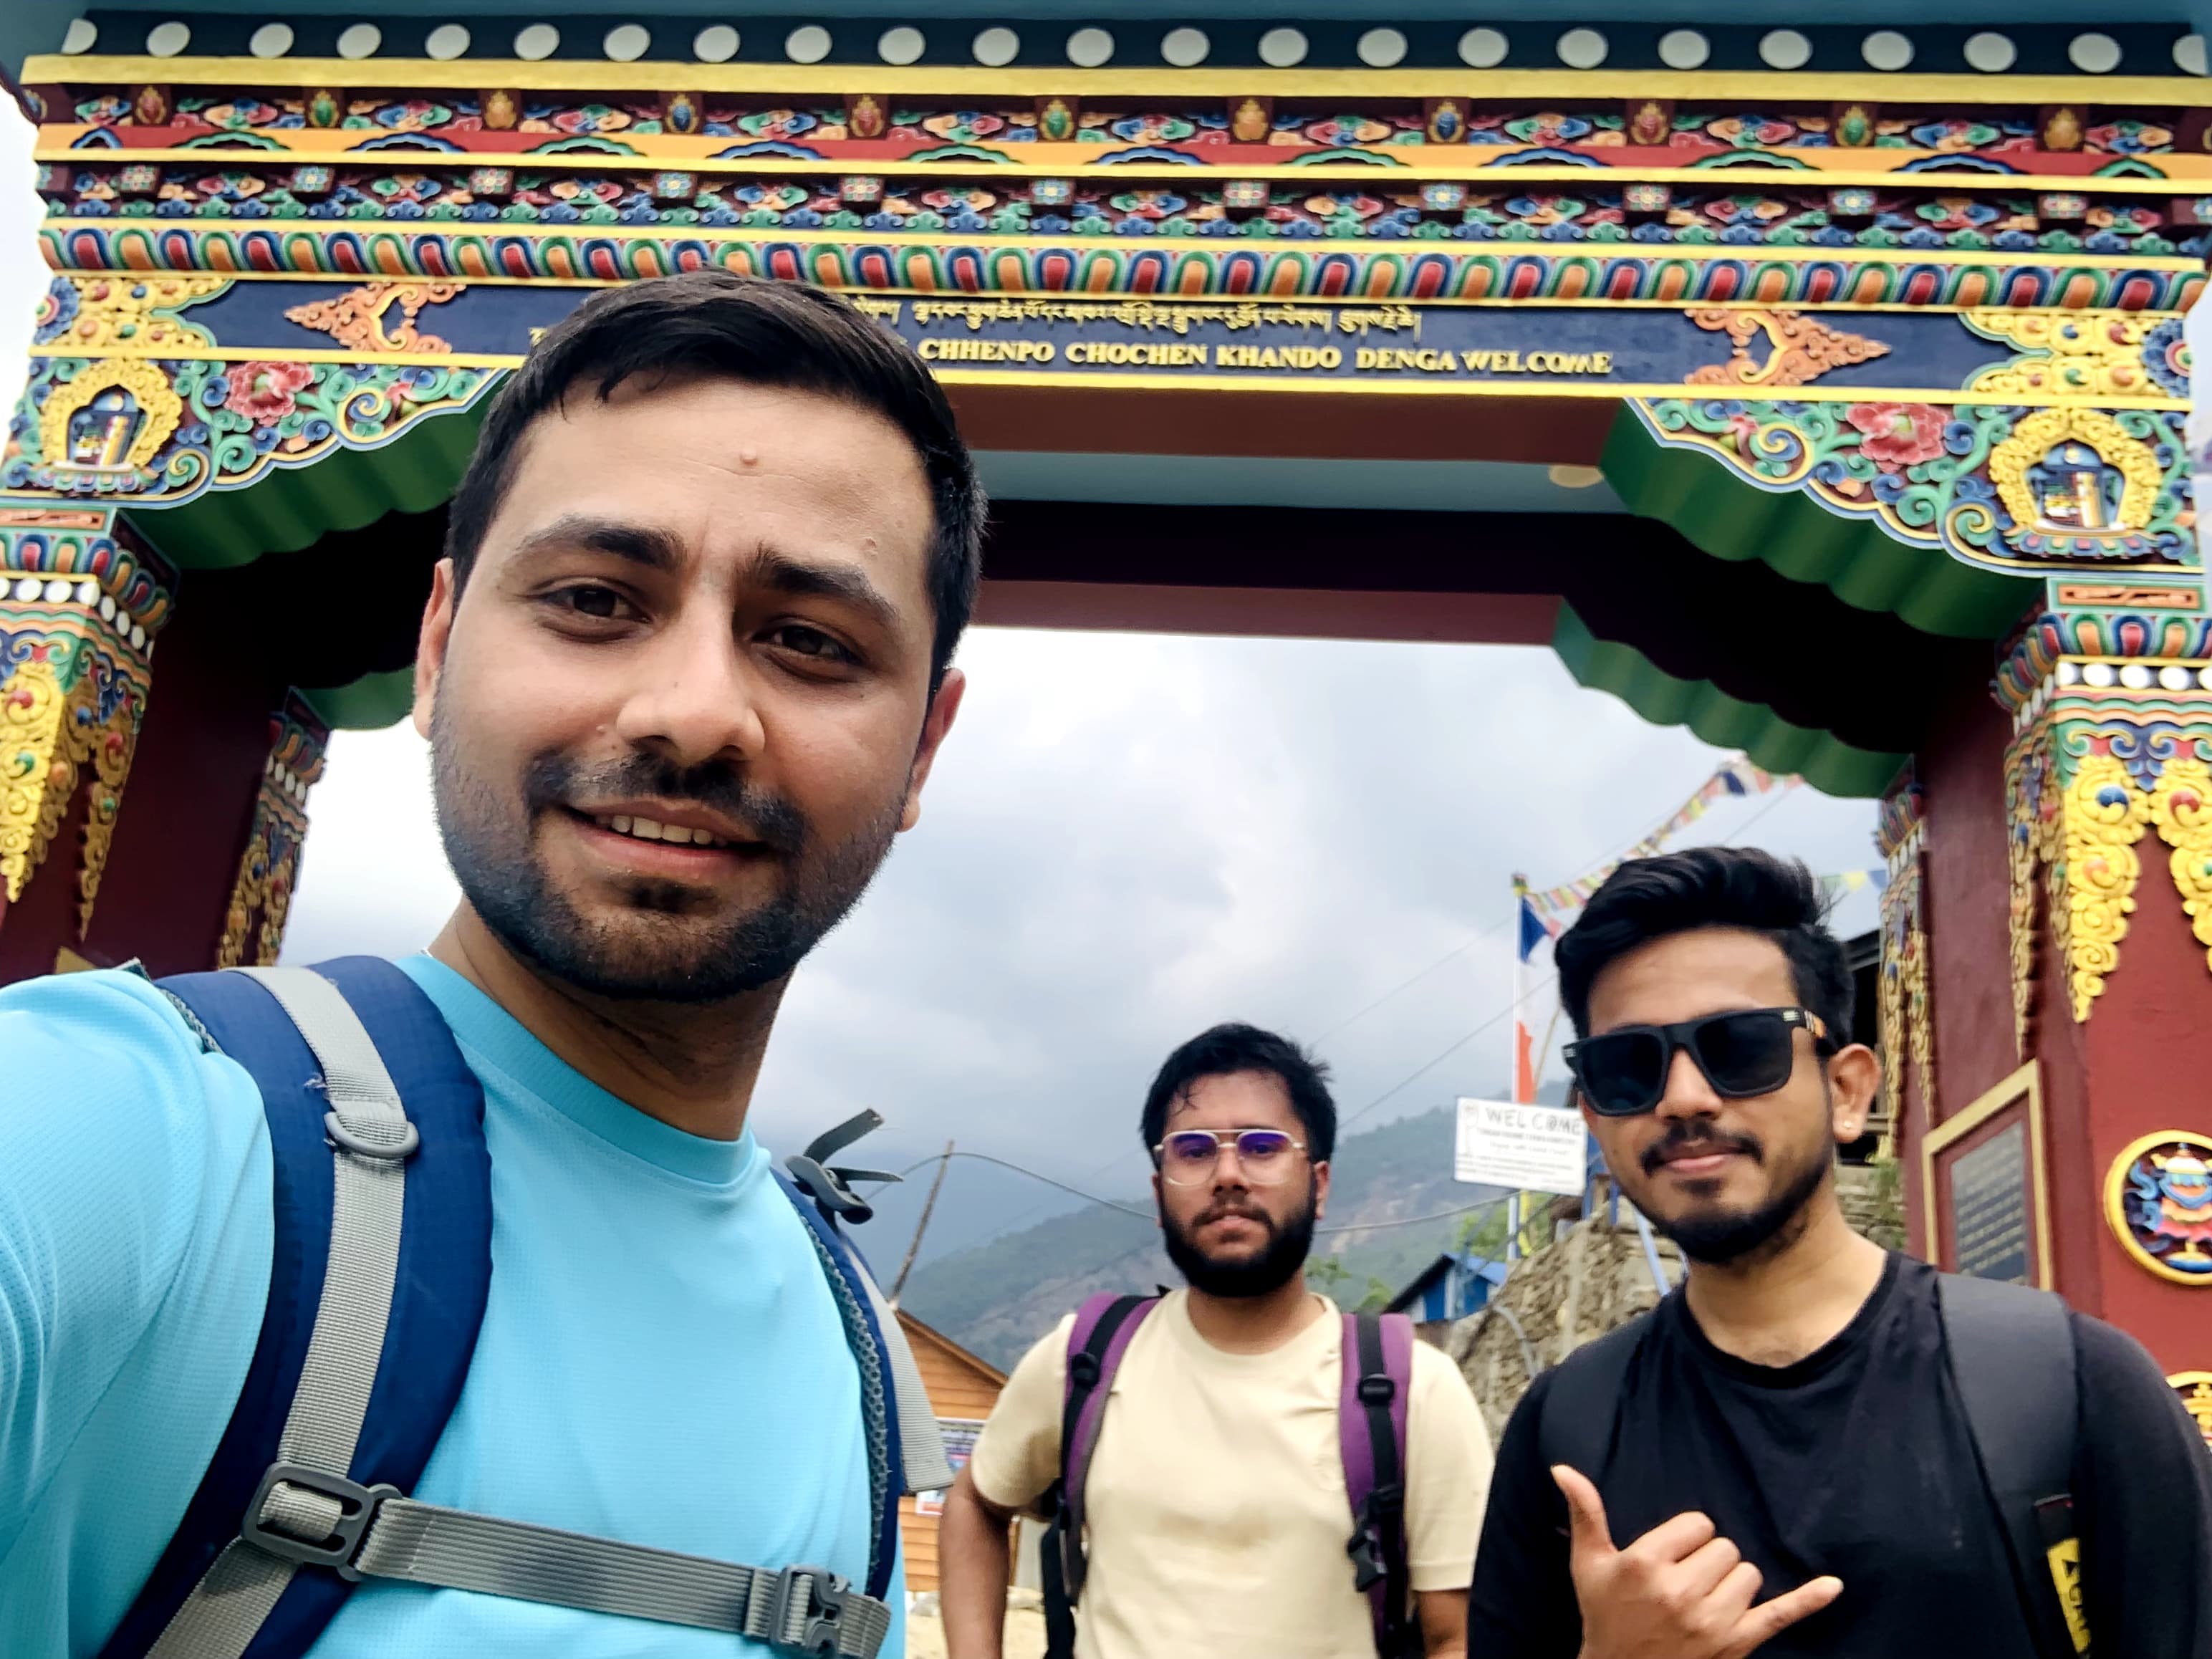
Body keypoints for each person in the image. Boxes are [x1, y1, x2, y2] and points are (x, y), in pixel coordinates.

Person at [0, 270, 986, 1658]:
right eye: (594, 599)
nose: (695, 711)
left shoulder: (857, 1358)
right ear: (439, 642)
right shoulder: (120, 1136)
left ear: (922, 749)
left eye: (810, 642)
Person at [1468, 846, 2212, 1658]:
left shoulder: (2070, 1384)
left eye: (1739, 1046)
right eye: (1625, 1065)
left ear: (1849, 1090)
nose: (1683, 1098)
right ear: (1594, 1117)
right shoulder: (1565, 1430)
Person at [938, 1023, 1493, 1659]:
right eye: (1194, 1150)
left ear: (1320, 1185)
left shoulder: (1410, 1392)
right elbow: (976, 1503)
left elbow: (1457, 1639)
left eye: (1262, 1146)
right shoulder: (1086, 1359)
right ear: (1158, 1191)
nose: (1228, 1174)